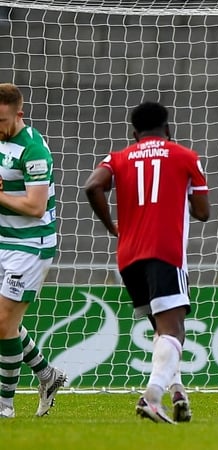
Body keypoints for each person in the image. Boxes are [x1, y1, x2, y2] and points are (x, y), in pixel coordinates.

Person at [84, 101, 210, 423]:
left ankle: (178, 391)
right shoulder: (185, 156)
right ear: (168, 130)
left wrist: (112, 226)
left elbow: (92, 186)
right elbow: (203, 212)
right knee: (174, 331)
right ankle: (152, 396)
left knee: (161, 330)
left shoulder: (118, 158)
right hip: (165, 252)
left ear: (134, 133)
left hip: (127, 257)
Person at [0, 83, 67, 418]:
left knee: (3, 324)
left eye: (2, 121)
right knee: (4, 323)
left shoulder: (34, 149)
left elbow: (35, 206)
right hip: (2, 241)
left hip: (29, 247)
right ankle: (47, 375)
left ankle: (5, 406)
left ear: (19, 114)